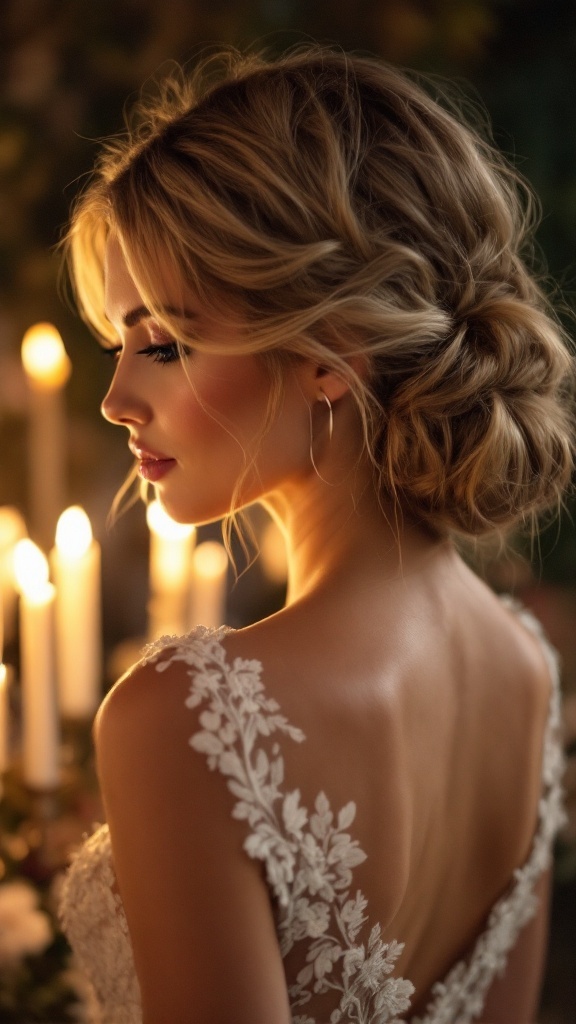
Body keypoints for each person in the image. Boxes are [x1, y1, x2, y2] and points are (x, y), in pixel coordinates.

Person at [59, 46, 574, 1024]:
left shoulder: (183, 722)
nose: (117, 399)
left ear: (329, 355)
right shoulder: (528, 668)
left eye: (165, 343)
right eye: (116, 346)